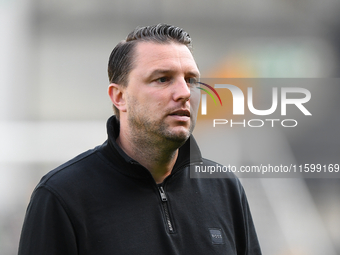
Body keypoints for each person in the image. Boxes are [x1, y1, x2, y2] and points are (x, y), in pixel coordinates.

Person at [18, 24, 262, 255]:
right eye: (163, 79)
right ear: (119, 96)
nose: (184, 93)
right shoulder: (62, 195)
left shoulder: (225, 188)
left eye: (190, 80)